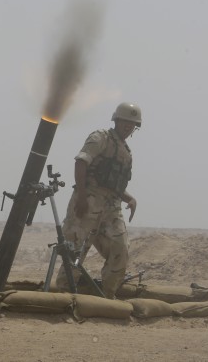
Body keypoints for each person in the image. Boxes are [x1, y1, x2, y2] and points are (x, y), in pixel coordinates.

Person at [55, 102, 141, 299]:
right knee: (75, 252)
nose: (128, 127)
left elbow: (114, 184)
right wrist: (83, 197)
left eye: (132, 125)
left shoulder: (126, 152)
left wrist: (130, 198)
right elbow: (81, 163)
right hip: (89, 202)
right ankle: (63, 297)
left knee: (120, 250)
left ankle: (107, 296)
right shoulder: (100, 138)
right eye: (125, 122)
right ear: (116, 121)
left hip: (112, 208)